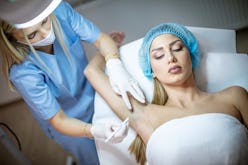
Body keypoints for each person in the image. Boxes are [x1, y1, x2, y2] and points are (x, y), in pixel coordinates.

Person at [0, 0, 146, 164]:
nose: (46, 32)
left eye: (44, 21)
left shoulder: (59, 12)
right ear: (11, 38)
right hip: (67, 121)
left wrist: (114, 64)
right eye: (32, 35)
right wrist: (93, 130)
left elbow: (101, 39)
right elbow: (59, 120)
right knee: (96, 160)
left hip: (93, 93)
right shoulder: (22, 71)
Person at [85, 23, 248, 165]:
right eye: (159, 55)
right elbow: (92, 71)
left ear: (191, 54)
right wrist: (111, 52)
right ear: (151, 70)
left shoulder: (234, 97)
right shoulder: (146, 115)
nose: (170, 58)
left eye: (177, 48)